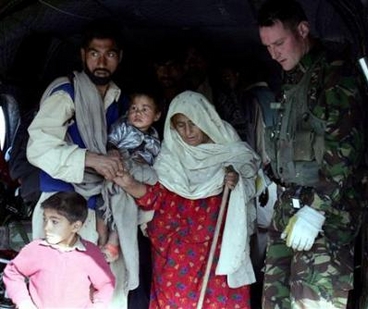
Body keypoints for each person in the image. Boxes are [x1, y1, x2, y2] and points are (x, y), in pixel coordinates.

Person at [113, 90, 264, 308]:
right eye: (180, 125)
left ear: (206, 119)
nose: (188, 131)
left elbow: (251, 176)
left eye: (194, 123)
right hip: (176, 251)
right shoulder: (170, 155)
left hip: (218, 248)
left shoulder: (229, 148)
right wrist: (129, 184)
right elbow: (155, 197)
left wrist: (236, 180)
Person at [257, 0, 365, 308]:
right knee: (274, 301)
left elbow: (345, 150)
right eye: (267, 46)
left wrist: (317, 209)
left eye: (279, 42)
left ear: (303, 30)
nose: (274, 53)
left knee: (313, 301)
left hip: (326, 215)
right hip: (289, 207)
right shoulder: (292, 78)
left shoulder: (335, 74)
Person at [26, 19, 130, 308]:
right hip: (61, 205)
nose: (101, 61)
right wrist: (90, 158)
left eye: (109, 54)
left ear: (119, 58)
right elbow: (39, 146)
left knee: (104, 291)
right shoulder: (66, 92)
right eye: (94, 53)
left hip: (101, 208)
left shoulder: (120, 101)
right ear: (83, 54)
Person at [3, 191, 115, 309]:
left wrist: (99, 305)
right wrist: (24, 302)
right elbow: (13, 272)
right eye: (45, 219)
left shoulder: (91, 253)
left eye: (54, 222)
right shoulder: (36, 250)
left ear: (75, 226)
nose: (46, 227)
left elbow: (106, 284)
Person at [97, 91, 161, 262]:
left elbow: (156, 162)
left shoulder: (155, 138)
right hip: (121, 166)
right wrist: (113, 152)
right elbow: (111, 142)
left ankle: (114, 241)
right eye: (134, 108)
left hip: (139, 175)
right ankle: (104, 240)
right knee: (106, 203)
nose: (137, 113)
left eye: (144, 109)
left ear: (157, 115)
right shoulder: (123, 126)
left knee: (132, 205)